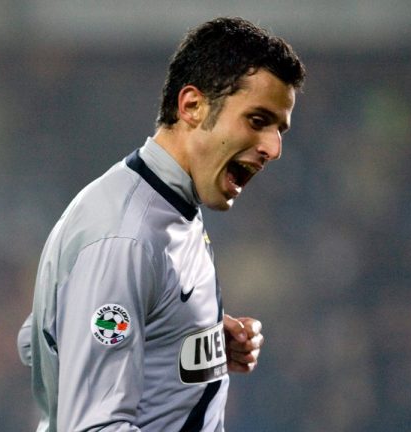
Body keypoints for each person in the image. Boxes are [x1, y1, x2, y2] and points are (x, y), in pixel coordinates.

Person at [17, 16, 306, 431]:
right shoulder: (126, 235)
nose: (273, 148)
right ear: (191, 106)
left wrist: (181, 335)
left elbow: (38, 339)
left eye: (280, 129)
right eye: (258, 121)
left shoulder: (167, 204)